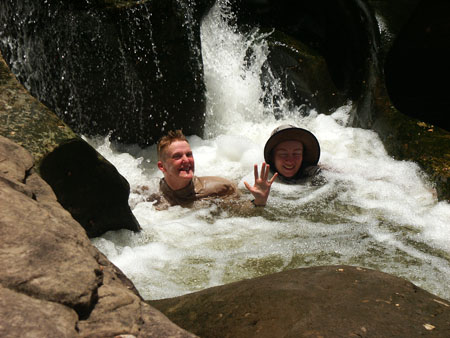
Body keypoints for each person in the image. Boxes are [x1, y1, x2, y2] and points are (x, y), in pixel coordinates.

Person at [144, 129, 277, 210]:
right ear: (162, 167)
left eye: (189, 154)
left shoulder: (218, 188)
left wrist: (259, 201)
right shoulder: (150, 192)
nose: (186, 160)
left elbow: (242, 212)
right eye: (177, 156)